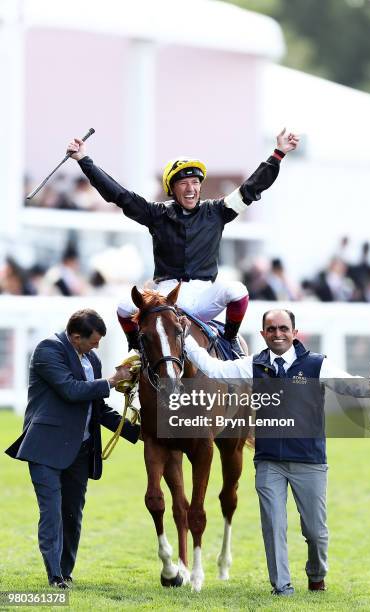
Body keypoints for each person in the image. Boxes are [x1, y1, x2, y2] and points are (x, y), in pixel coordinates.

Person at [182, 309, 370, 595]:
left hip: (310, 461)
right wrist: (186, 338)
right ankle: (282, 587)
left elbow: (347, 383)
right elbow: (213, 369)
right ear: (263, 334)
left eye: (283, 328)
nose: (278, 334)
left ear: (294, 332)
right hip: (268, 463)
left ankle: (316, 574)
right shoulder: (253, 365)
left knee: (315, 532)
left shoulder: (316, 365)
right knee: (273, 527)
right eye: (271, 329)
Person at [66, 129, 299, 356]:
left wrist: (277, 154)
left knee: (237, 290)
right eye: (183, 183)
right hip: (167, 296)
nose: (191, 189)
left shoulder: (218, 211)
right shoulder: (156, 214)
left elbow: (252, 187)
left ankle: (230, 340)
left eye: (195, 182)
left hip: (205, 295)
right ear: (172, 188)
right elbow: (119, 195)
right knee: (123, 307)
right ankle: (137, 347)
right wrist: (84, 160)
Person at [5, 309, 141, 589]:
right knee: (52, 512)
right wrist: (112, 381)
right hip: (45, 447)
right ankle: (54, 576)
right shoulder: (47, 350)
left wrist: (138, 433)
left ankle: (66, 572)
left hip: (81, 449)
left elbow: (97, 407)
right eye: (93, 341)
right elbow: (71, 390)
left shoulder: (91, 358)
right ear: (75, 336)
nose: (97, 346)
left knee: (72, 514)